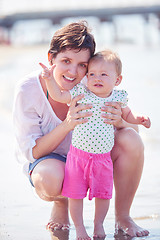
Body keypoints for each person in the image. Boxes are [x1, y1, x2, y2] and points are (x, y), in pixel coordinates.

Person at [13, 21, 150, 238]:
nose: (73, 72)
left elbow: (134, 130)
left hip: (95, 157)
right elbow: (32, 152)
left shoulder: (96, 81)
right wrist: (68, 123)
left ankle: (123, 217)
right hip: (52, 162)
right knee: (48, 179)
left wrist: (121, 122)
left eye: (82, 65)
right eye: (66, 61)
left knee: (131, 139)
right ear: (51, 58)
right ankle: (61, 203)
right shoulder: (28, 89)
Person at [40, 49, 151, 239]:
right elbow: (59, 95)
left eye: (103, 75)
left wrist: (139, 118)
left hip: (103, 160)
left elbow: (127, 116)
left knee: (103, 195)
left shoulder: (117, 97)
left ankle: (98, 225)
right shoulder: (82, 92)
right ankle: (80, 228)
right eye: (91, 74)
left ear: (117, 80)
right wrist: (49, 79)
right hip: (78, 157)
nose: (96, 78)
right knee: (75, 196)